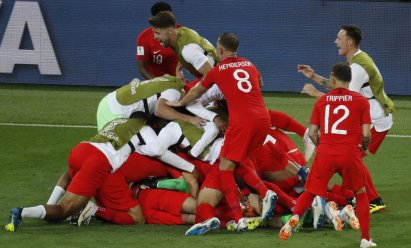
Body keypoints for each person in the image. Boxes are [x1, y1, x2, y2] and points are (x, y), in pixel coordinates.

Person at [167, 32, 276, 232]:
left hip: (242, 121)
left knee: (225, 168)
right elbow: (260, 84)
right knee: (240, 163)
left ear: (219, 51)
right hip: (263, 119)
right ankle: (265, 193)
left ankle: (239, 218)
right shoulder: (249, 64)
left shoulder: (218, 70)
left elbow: (197, 91)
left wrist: (180, 103)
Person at [279, 63, 376, 248]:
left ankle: (293, 219)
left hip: (326, 152)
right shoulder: (361, 101)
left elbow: (313, 132)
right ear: (349, 80)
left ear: (332, 80)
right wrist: (363, 148)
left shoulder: (322, 101)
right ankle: (365, 238)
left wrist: (321, 146)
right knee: (361, 193)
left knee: (310, 191)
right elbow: (366, 134)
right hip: (349, 152)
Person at [297, 24, 393, 213]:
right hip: (372, 117)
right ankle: (362, 196)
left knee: (350, 155)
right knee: (349, 156)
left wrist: (316, 93)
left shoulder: (358, 67)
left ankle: (371, 199)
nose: (335, 41)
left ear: (349, 42)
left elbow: (344, 100)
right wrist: (313, 76)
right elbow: (339, 89)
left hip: (374, 121)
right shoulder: (357, 60)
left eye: (339, 38)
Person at [5, 116, 150, 232]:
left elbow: (69, 174)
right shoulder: (147, 130)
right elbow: (157, 150)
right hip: (98, 162)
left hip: (82, 148)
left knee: (70, 174)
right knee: (63, 211)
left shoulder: (120, 121)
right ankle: (21, 212)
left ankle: (50, 204)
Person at [96, 75, 206, 131]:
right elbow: (160, 110)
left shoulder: (170, 79)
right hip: (115, 112)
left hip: (109, 99)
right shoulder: (174, 92)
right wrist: (190, 119)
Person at [148, 11, 218, 81]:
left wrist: (194, 90)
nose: (155, 37)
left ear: (170, 31)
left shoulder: (188, 50)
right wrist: (178, 70)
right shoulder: (182, 32)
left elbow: (213, 78)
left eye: (157, 33)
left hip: (219, 80)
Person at [136, 2, 180, 79]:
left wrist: (179, 72)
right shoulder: (143, 37)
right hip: (154, 80)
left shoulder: (181, 31)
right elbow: (142, 67)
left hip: (176, 79)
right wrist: (157, 83)